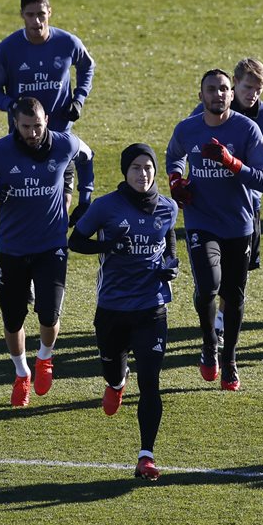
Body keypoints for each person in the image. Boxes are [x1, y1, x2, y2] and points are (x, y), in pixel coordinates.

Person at [0, 96, 94, 406]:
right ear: (15, 124)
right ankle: (22, 373)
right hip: (11, 249)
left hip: (51, 246)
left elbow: (87, 156)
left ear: (46, 120)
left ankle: (45, 359)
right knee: (13, 320)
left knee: (49, 316)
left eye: (37, 125)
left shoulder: (64, 144)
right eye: (26, 127)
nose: (33, 132)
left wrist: (84, 198)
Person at [69, 143, 178, 481]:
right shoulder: (105, 207)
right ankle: (116, 383)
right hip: (112, 309)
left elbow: (169, 238)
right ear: (124, 172)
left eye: (147, 167)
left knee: (151, 383)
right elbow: (76, 241)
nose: (142, 173)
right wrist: (109, 246)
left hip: (152, 308)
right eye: (135, 168)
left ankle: (146, 455)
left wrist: (170, 265)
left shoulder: (168, 207)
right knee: (113, 372)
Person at [166, 69, 263, 390]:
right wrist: (175, 181)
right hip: (201, 221)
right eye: (211, 89)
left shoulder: (246, 129)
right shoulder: (187, 128)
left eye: (224, 89)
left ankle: (229, 359)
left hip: (239, 225)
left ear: (231, 94)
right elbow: (174, 156)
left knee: (234, 297)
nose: (218, 94)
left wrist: (231, 162)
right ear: (201, 95)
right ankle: (210, 344)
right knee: (208, 288)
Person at [188, 58, 263, 341]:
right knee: (210, 280)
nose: (253, 94)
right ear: (235, 85)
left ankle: (220, 320)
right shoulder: (206, 113)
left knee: (237, 278)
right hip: (208, 208)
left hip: (247, 206)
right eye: (248, 87)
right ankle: (215, 322)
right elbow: (189, 147)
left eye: (259, 89)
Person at [0, 0, 96, 216]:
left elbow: (87, 66)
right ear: (21, 15)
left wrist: (79, 99)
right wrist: (11, 106)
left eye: (41, 14)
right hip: (24, 141)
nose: (36, 21)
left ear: (50, 13)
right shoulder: (7, 49)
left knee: (62, 206)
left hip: (60, 139)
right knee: (26, 206)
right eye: (30, 15)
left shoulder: (67, 43)